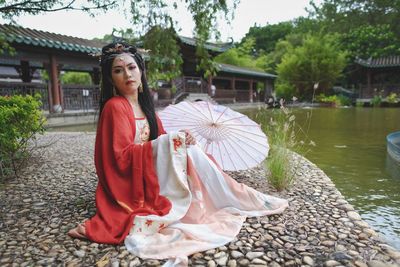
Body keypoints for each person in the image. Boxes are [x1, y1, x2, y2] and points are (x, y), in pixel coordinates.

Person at [68, 42, 288, 266]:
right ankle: (237, 196)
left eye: (132, 68)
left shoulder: (144, 106)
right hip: (129, 181)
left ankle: (233, 195)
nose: (127, 74)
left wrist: (179, 138)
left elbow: (159, 138)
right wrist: (170, 144)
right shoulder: (115, 107)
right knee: (187, 151)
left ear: (141, 71)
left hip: (146, 171)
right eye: (118, 70)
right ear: (110, 78)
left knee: (189, 148)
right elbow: (119, 158)